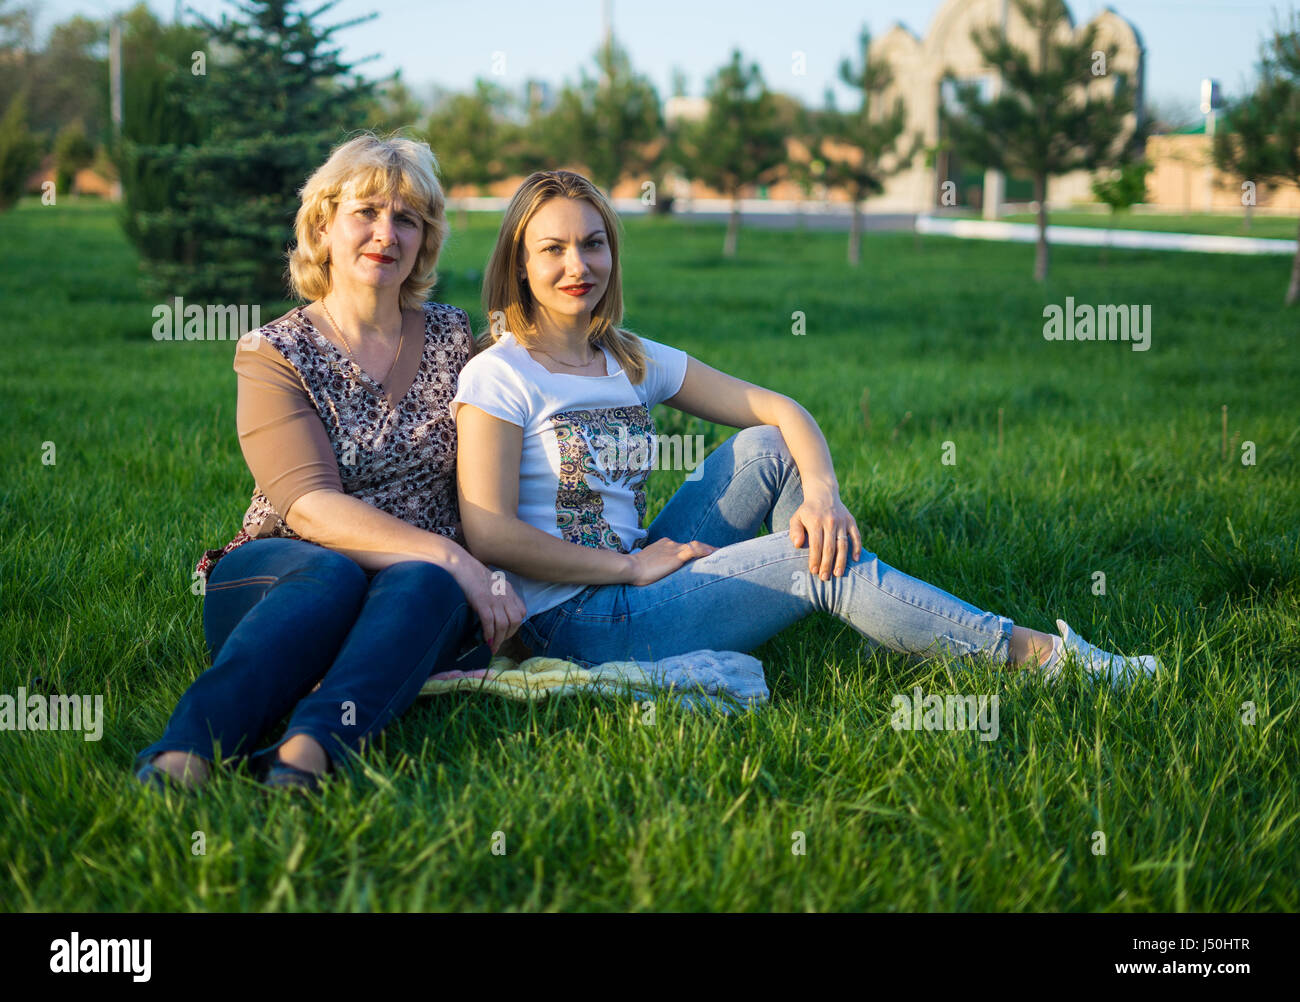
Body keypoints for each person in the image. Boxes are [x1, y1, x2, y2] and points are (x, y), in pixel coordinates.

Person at [451, 169, 1160, 686]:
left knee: (768, 449)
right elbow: (491, 534)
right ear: (518, 261)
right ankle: (1040, 660)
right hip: (577, 622)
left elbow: (781, 409)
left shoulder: (626, 356)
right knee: (811, 566)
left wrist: (822, 494)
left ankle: (850, 603)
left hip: (638, 579)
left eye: (594, 243)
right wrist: (630, 566)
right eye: (553, 249)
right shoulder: (501, 375)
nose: (579, 264)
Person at [134, 133, 524, 793]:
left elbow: (559, 353)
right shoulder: (274, 352)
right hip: (285, 578)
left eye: (407, 219)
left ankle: (307, 752)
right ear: (323, 226)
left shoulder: (458, 336)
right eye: (366, 212)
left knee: (425, 583)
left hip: (409, 597)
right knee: (338, 572)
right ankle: (187, 751)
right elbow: (309, 507)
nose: (386, 233)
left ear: (425, 240)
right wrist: (458, 557)